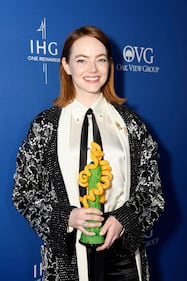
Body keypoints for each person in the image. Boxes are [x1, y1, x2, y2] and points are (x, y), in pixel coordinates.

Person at [12, 25, 165, 281]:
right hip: (68, 259)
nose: (92, 70)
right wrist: (68, 217)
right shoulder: (45, 125)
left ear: (110, 65)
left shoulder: (132, 124)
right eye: (81, 60)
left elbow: (153, 195)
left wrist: (123, 220)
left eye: (100, 60)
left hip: (124, 259)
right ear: (66, 65)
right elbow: (24, 192)